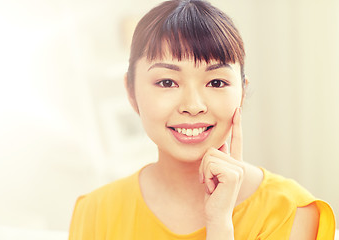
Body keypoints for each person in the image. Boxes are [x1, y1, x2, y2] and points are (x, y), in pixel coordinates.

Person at [69, 0, 335, 239]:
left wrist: (220, 225)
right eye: (167, 82)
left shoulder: (290, 213)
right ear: (130, 91)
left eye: (216, 81)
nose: (193, 106)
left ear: (241, 92)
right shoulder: (94, 212)